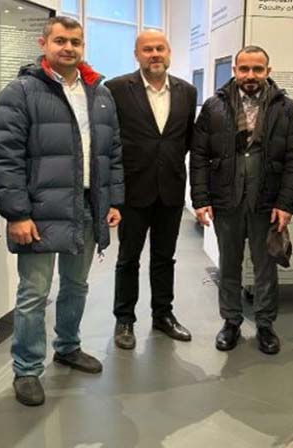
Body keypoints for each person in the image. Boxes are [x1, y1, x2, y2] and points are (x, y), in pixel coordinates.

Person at [0, 16, 123, 406]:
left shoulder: (100, 93)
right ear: (43, 43)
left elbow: (113, 152)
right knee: (34, 293)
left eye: (75, 42)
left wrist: (113, 200)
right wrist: (17, 214)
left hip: (87, 205)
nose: (68, 48)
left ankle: (67, 347)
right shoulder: (20, 92)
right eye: (61, 40)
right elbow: (5, 157)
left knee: (77, 285)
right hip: (40, 210)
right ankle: (27, 369)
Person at [190, 46, 293, 355]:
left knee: (265, 267)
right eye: (244, 69)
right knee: (229, 265)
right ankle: (231, 321)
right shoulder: (214, 106)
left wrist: (286, 204)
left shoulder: (286, 108)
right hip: (226, 199)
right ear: (235, 71)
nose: (250, 75)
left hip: (266, 202)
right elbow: (199, 156)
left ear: (268, 71)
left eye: (257, 69)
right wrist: (200, 198)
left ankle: (265, 324)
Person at [105, 30, 197, 350]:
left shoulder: (187, 91)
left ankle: (163, 315)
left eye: (160, 48)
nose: (154, 54)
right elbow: (110, 141)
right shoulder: (116, 89)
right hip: (132, 191)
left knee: (164, 257)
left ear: (169, 52)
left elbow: (186, 139)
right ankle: (124, 319)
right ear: (137, 54)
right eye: (147, 49)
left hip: (170, 189)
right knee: (128, 258)